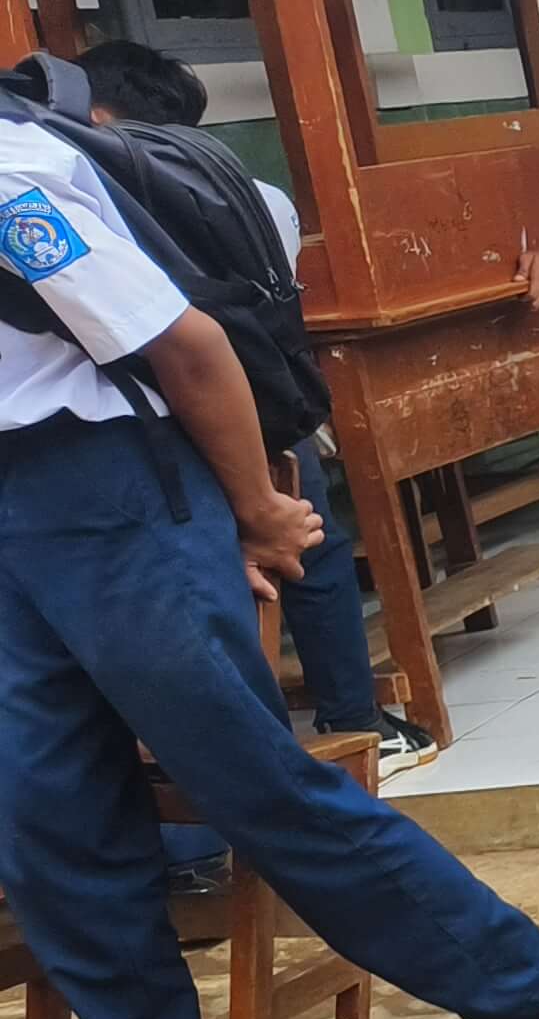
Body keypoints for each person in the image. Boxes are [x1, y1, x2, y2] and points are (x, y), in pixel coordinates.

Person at [0, 104, 539, 1019]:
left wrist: (255, 508)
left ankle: (532, 988)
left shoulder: (9, 181)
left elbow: (189, 349)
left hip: (118, 494)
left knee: (251, 788)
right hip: (18, 524)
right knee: (42, 821)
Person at [72, 40, 436, 776]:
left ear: (102, 116)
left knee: (213, 581)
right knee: (310, 549)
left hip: (159, 420)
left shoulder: (103, 193)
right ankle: (356, 720)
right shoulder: (251, 187)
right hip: (266, 403)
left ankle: (220, 780)